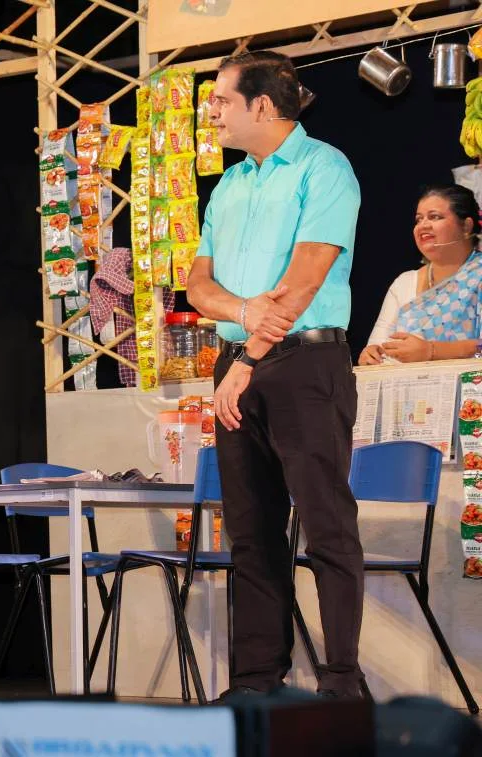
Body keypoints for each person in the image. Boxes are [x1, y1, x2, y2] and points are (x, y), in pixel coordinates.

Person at [186, 51, 366, 700]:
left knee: (326, 524)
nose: (211, 111)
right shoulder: (230, 185)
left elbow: (305, 278)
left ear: (262, 105)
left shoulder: (325, 168)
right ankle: (257, 682)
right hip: (237, 361)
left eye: (220, 100)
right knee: (251, 531)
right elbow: (198, 284)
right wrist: (241, 316)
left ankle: (341, 683)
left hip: (304, 362)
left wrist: (248, 360)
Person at [359, 184, 482, 365]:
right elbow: (378, 345)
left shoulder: (478, 275)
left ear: (466, 226)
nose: (423, 225)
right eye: (418, 219)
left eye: (434, 217)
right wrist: (371, 355)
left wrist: (431, 351)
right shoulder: (404, 283)